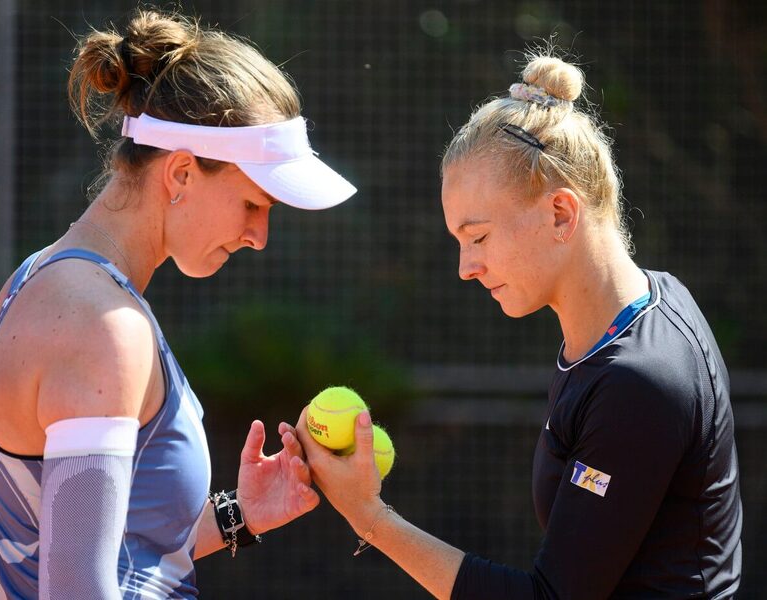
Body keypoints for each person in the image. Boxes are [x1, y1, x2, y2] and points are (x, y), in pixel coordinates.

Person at [297, 52, 742, 599]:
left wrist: (369, 516)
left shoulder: (638, 382)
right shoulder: (651, 301)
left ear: (561, 214)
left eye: (478, 237)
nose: (466, 268)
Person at [0, 9, 355, 598]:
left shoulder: (45, 282)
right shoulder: (100, 324)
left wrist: (239, 514)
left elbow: (114, 547)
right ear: (180, 173)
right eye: (253, 204)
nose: (260, 236)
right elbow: (77, 589)